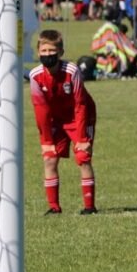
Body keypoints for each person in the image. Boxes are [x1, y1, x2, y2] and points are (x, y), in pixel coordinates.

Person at [29, 30, 97, 215]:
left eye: (52, 51)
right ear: (38, 51)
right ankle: (54, 207)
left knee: (83, 158)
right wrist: (46, 142)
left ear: (60, 52)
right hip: (55, 120)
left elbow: (80, 104)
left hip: (79, 117)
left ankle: (89, 207)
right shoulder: (35, 76)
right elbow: (40, 110)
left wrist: (82, 137)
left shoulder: (72, 71)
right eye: (44, 50)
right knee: (49, 159)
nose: (48, 54)